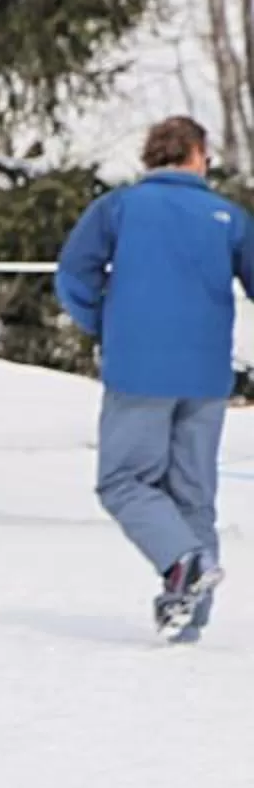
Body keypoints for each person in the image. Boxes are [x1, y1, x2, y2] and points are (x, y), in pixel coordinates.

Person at [55, 115, 254, 641]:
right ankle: (189, 617)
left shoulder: (119, 208)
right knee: (193, 494)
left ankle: (180, 562)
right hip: (207, 374)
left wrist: (105, 325)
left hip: (138, 369)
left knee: (123, 481)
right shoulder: (227, 216)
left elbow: (75, 274)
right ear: (193, 153)